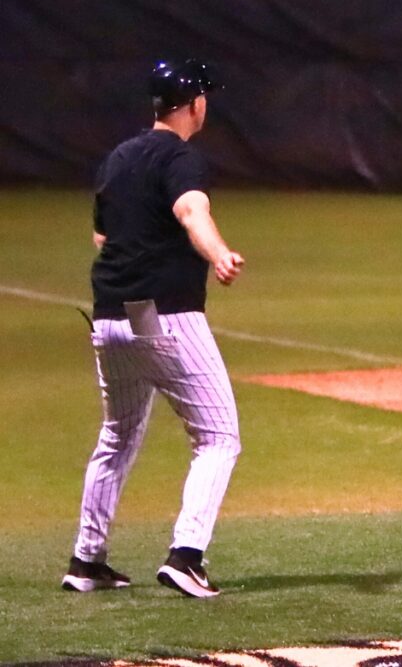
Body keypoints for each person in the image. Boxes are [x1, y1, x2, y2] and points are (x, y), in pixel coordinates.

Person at [61, 59, 245, 598]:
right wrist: (218, 254)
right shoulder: (180, 157)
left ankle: (86, 560)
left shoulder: (119, 158)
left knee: (116, 437)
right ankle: (186, 556)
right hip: (163, 314)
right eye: (204, 97)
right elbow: (191, 212)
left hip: (109, 316)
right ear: (194, 105)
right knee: (219, 438)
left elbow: (101, 239)